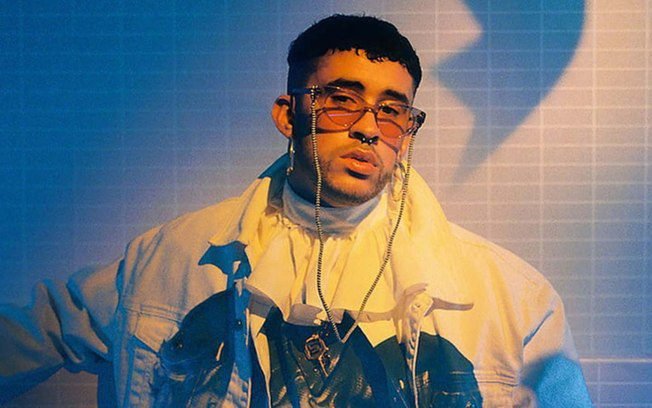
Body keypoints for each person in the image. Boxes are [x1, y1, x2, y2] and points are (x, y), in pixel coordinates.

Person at [0, 14, 591, 407]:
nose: (368, 128)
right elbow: (37, 330)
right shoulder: (171, 259)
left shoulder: (511, 296)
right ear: (289, 114)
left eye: (392, 111)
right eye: (341, 100)